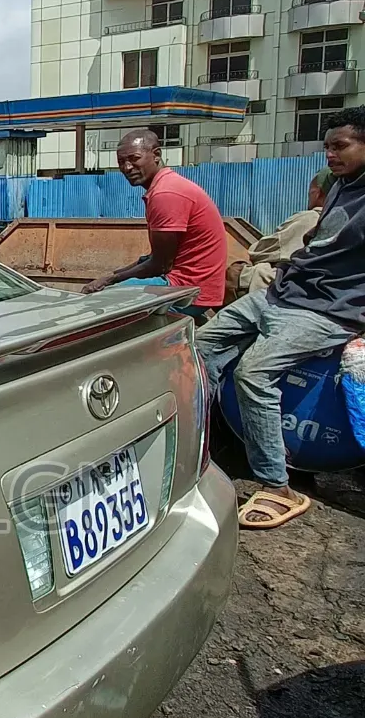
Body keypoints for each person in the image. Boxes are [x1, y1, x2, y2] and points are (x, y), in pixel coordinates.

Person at [197, 109, 365, 530]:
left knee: (253, 373)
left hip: (328, 311)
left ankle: (277, 485)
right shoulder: (344, 185)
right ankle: (201, 446)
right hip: (284, 295)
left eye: (339, 146)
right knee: (199, 345)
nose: (329, 154)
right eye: (327, 146)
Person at [81, 128, 226, 316]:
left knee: (99, 302)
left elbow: (160, 265)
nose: (127, 168)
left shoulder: (165, 194)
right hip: (193, 285)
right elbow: (155, 258)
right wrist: (114, 275)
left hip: (186, 290)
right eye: (121, 162)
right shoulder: (166, 186)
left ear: (156, 155)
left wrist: (109, 280)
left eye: (134, 159)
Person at [228, 168, 334, 300]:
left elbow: (262, 252)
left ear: (317, 193)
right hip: (322, 292)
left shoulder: (311, 218)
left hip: (292, 290)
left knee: (232, 271)